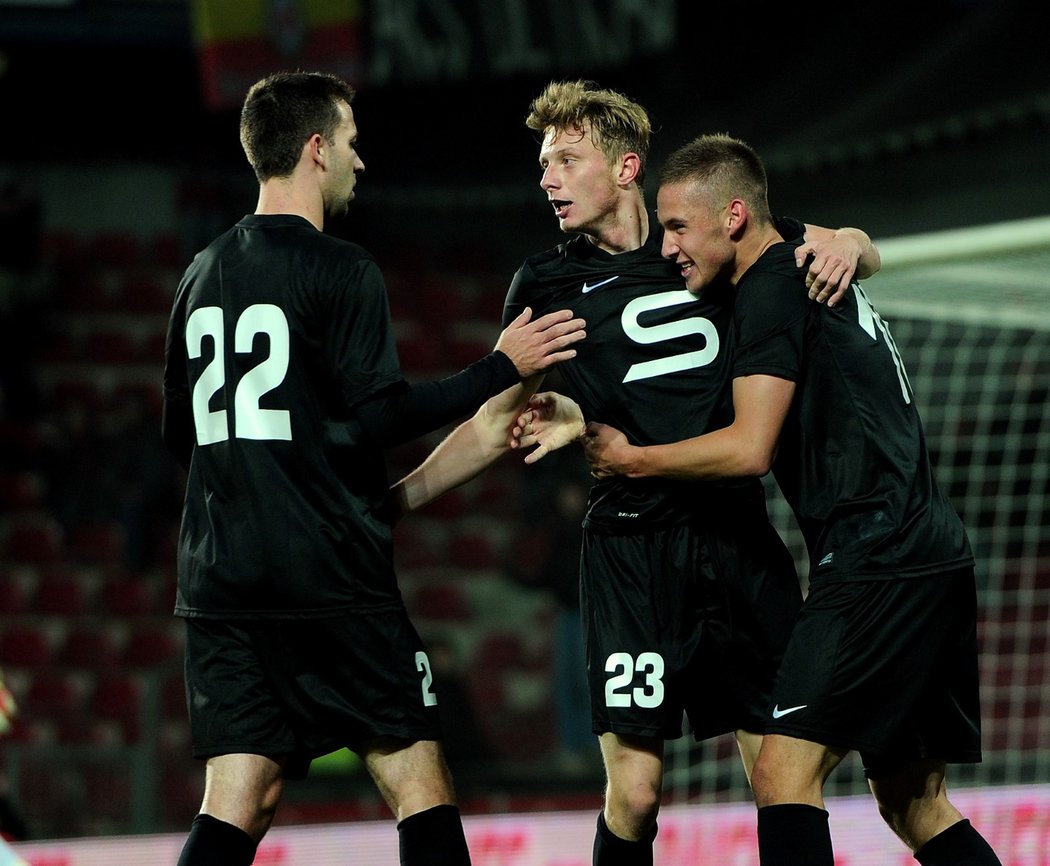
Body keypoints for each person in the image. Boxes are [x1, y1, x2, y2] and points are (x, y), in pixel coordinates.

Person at [386, 80, 880, 866]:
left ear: (626, 168)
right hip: (629, 551)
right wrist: (399, 500)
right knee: (638, 792)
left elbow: (840, 243)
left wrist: (853, 239)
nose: (547, 178)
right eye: (543, 163)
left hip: (736, 538)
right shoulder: (543, 283)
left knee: (781, 774)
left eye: (565, 159)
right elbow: (493, 419)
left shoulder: (706, 236)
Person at [160, 71, 586, 866]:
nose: (361, 160)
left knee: (238, 797)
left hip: (219, 580)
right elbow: (381, 416)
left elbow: (181, 439)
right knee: (417, 778)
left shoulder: (198, 274)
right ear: (317, 149)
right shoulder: (340, 268)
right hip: (327, 578)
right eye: (352, 141)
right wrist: (499, 366)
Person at [565, 132, 1002, 866]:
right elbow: (841, 242)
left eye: (678, 226)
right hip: (933, 549)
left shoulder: (771, 288)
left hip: (874, 555)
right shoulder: (797, 248)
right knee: (912, 800)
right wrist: (857, 241)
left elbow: (748, 450)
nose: (667, 246)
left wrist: (632, 458)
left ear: (732, 217)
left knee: (781, 771)